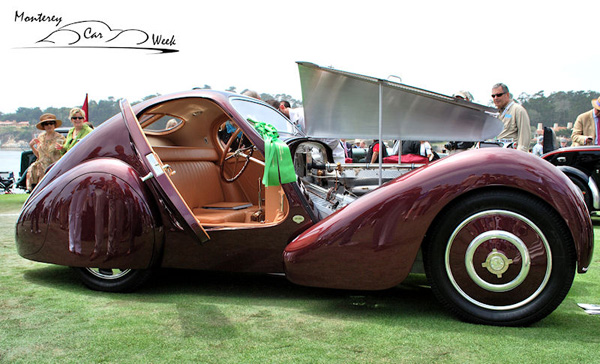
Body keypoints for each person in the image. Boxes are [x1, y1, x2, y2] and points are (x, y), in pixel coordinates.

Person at [26, 113, 65, 191]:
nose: (49, 126)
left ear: (54, 125)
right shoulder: (41, 137)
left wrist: (61, 148)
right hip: (41, 170)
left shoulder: (60, 137)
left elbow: (65, 153)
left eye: (51, 123)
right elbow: (39, 155)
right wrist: (32, 146)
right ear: (43, 126)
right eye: (46, 124)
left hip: (54, 168)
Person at [491, 83, 531, 152]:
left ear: (507, 95)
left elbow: (524, 140)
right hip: (496, 154)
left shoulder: (518, 110)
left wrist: (519, 156)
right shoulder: (494, 113)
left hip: (511, 155)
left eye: (499, 95)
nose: (496, 98)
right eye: (493, 96)